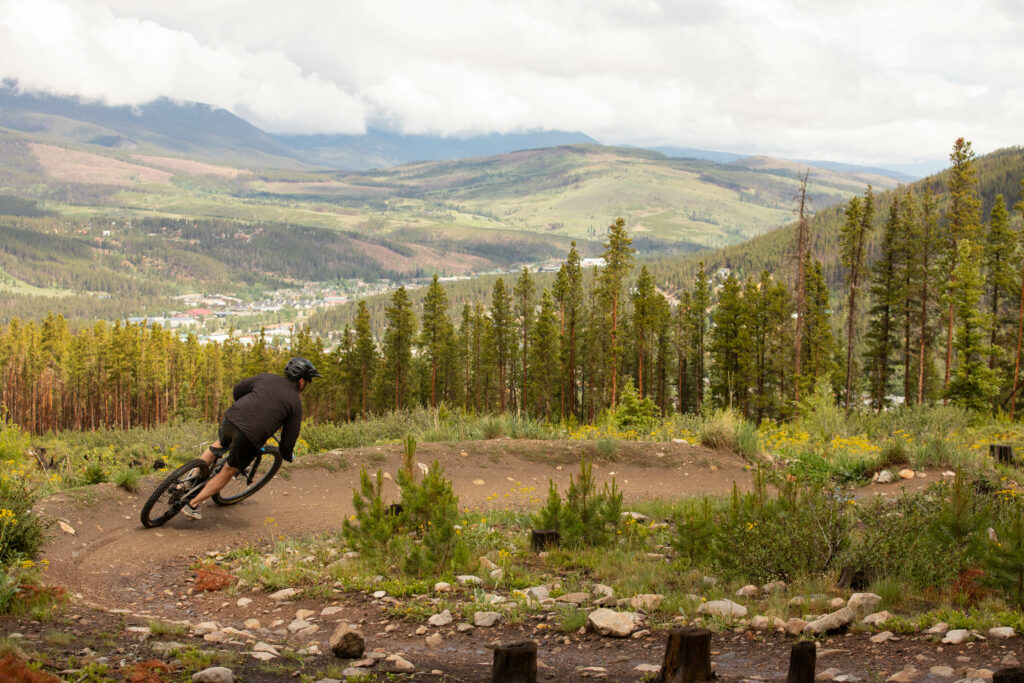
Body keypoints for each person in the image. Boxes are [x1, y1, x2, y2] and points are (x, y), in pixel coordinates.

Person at [181, 357, 321, 520]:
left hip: (232, 417)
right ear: (302, 381)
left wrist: (248, 405)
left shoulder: (268, 378)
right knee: (229, 469)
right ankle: (192, 504)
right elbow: (289, 439)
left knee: (220, 443)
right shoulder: (295, 403)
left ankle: (189, 480)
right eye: (308, 382)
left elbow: (238, 390)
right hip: (249, 436)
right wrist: (287, 455)